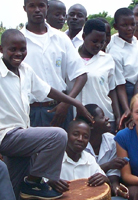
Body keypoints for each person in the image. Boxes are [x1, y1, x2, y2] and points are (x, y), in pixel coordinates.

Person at [0, 29, 92, 200]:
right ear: (1, 49)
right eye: (13, 49)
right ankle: (34, 182)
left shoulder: (25, 70)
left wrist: (75, 102)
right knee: (57, 136)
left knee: (15, 188)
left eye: (23, 49)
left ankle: (27, 186)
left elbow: (48, 90)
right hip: (5, 135)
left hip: (21, 135)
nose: (18, 53)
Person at [21, 0, 88, 129]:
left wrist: (66, 103)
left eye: (41, 5)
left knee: (62, 148)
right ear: (25, 8)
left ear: (47, 7)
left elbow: (81, 75)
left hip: (59, 110)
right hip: (29, 111)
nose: (37, 10)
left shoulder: (61, 38)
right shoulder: (19, 39)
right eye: (32, 6)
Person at [77, 19, 120, 133]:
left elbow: (112, 90)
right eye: (94, 41)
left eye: (102, 42)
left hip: (103, 116)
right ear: (84, 36)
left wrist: (117, 115)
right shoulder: (71, 58)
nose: (98, 45)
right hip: (77, 118)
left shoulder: (107, 59)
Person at [47, 120, 109, 193]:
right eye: (75, 134)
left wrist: (104, 179)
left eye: (85, 137)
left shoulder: (89, 159)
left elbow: (105, 181)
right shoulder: (53, 157)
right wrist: (49, 183)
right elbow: (39, 185)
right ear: (66, 135)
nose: (80, 139)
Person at [107, 8, 138, 127]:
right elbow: (120, 85)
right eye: (124, 25)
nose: (129, 28)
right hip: (125, 93)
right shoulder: (115, 51)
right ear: (116, 26)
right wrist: (127, 109)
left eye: (132, 24)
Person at [84, 104, 129, 199]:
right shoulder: (80, 145)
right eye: (102, 117)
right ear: (91, 125)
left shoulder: (112, 140)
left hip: (105, 188)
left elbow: (113, 174)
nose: (107, 118)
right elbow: (82, 176)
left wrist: (116, 187)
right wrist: (108, 165)